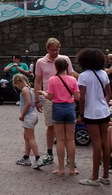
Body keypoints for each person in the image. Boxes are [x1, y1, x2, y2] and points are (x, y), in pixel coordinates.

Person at [75, 48, 112, 187]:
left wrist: (81, 114)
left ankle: (94, 177)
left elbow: (82, 98)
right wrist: (103, 102)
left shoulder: (84, 76)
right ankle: (105, 175)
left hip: (91, 112)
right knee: (105, 142)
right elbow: (109, 94)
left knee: (96, 143)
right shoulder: (103, 73)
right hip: (104, 111)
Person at [33, 38, 71, 166]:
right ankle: (49, 153)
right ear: (47, 49)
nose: (55, 52)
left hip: (65, 97)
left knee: (66, 127)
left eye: (57, 50)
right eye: (53, 50)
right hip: (49, 97)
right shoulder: (41, 62)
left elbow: (71, 76)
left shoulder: (65, 59)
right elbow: (38, 81)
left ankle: (69, 156)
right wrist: (37, 100)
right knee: (50, 125)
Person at [44, 57, 79, 176]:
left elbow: (50, 96)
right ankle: (72, 168)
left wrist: (43, 93)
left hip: (58, 107)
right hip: (69, 107)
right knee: (70, 139)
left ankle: (61, 168)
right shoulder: (73, 79)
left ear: (56, 67)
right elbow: (77, 97)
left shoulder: (52, 79)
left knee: (60, 139)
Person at [13, 74, 44, 168]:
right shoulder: (30, 89)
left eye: (16, 85)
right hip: (32, 116)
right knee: (26, 137)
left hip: (29, 116)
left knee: (30, 138)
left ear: (18, 82)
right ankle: (26, 157)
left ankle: (38, 158)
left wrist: (22, 114)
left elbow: (28, 103)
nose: (17, 87)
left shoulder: (24, 90)